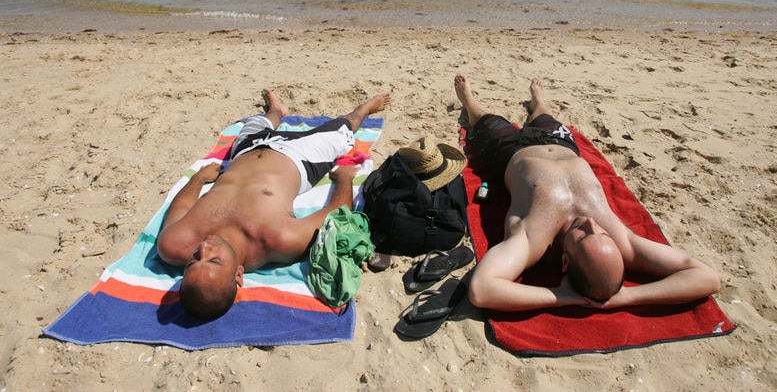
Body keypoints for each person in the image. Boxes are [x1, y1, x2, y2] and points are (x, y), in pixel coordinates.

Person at [454, 74, 720, 312]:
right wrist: (629, 295)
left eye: (584, 236)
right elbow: (706, 276)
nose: (592, 223)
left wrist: (560, 297)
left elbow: (482, 289)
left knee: (486, 121)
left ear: (566, 261)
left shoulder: (532, 240)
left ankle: (469, 101)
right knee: (544, 117)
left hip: (510, 152)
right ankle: (537, 101)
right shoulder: (623, 243)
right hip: (560, 143)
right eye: (602, 233)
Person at [157, 88, 391, 319]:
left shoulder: (175, 243)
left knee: (255, 124)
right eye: (214, 260)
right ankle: (363, 109)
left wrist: (198, 179)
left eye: (193, 262)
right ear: (239, 275)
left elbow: (180, 208)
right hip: (299, 156)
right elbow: (336, 213)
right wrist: (345, 179)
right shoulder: (278, 239)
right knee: (342, 130)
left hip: (246, 150)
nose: (203, 249)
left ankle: (277, 112)